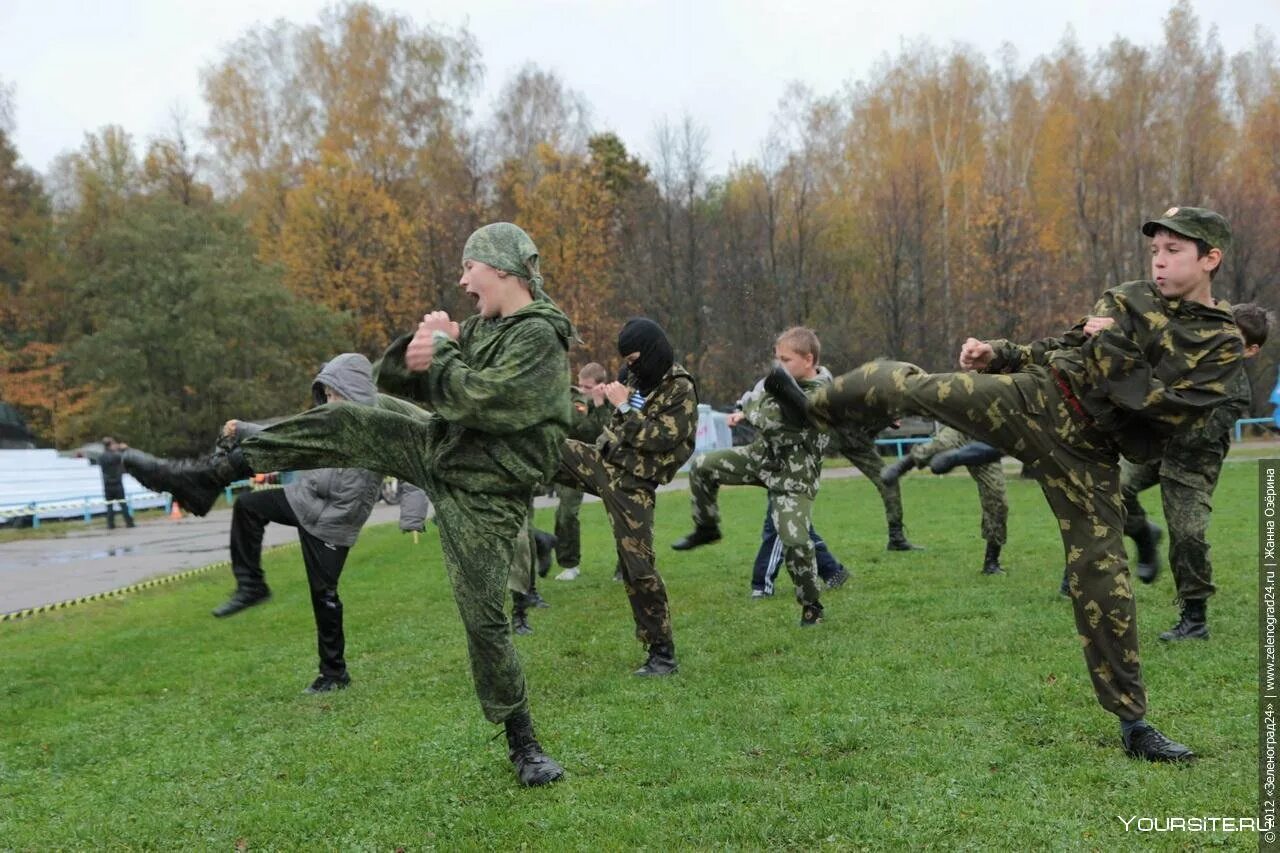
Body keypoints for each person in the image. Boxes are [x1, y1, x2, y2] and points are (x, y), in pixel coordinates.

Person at [769, 207, 1243, 762]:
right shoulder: (1126, 297)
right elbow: (1064, 347)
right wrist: (999, 354)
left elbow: (1160, 405)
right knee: (913, 384)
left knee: (1101, 573)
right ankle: (814, 407)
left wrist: (1110, 347)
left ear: (1210, 259)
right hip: (1036, 397)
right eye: (1155, 251)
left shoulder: (1221, 341)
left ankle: (1133, 724)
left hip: (1088, 453)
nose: (1159, 263)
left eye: (1174, 252)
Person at [125, 222, 571, 787]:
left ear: (502, 268)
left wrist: (446, 349)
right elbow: (413, 387)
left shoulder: (540, 337)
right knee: (346, 415)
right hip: (444, 449)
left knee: (485, 625)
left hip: (483, 491)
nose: (461, 280)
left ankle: (524, 745)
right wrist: (414, 355)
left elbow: (483, 402)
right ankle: (211, 476)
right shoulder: (486, 327)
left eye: (469, 267)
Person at [210, 353, 383, 694]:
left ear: (354, 393)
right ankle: (251, 586)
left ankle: (334, 674)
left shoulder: (378, 431)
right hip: (303, 500)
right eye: (327, 395)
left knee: (325, 595)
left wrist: (412, 513)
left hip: (335, 521)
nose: (331, 402)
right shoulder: (321, 424)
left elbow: (412, 467)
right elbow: (284, 436)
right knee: (248, 506)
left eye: (337, 395)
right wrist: (242, 429)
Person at [553, 318, 698, 675]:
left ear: (650, 351)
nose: (630, 366)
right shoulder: (637, 380)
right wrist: (613, 420)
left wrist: (622, 408)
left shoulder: (679, 388)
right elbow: (614, 432)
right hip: (608, 465)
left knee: (638, 569)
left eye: (634, 358)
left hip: (635, 482)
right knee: (546, 449)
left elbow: (660, 438)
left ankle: (662, 654)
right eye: (627, 360)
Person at [1120, 301, 1269, 641]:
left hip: (1193, 462)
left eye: (1236, 339)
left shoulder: (1236, 392)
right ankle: (1144, 535)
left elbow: (1198, 433)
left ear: (1250, 350)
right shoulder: (1185, 356)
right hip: (1155, 447)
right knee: (1114, 490)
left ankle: (1194, 619)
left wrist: (1157, 407)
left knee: (1188, 536)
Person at [675, 326, 830, 627]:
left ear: (808, 359)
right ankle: (706, 527)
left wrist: (749, 406)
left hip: (794, 477)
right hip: (762, 458)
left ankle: (811, 606)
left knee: (796, 541)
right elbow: (761, 393)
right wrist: (751, 403)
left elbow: (770, 420)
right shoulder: (782, 381)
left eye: (786, 360)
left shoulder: (822, 395)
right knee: (702, 465)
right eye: (778, 359)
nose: (779, 366)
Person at [879, 426, 1009, 574]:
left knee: (997, 499)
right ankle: (904, 465)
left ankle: (991, 562)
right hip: (962, 425)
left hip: (989, 440)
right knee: (940, 443)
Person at [553, 362, 612, 581]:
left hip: (606, 465)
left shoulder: (612, 400)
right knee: (565, 513)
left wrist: (600, 404)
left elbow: (605, 434)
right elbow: (577, 428)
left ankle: (624, 565)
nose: (581, 390)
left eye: (587, 387)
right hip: (573, 463)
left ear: (600, 385)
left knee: (622, 514)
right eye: (580, 385)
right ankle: (569, 564)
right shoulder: (574, 400)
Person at [98, 437, 135, 529]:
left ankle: (110, 524)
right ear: (110, 445)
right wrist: (124, 448)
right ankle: (129, 523)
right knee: (123, 504)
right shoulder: (116, 456)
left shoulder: (101, 457)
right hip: (117, 483)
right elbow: (125, 457)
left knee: (109, 506)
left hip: (107, 484)